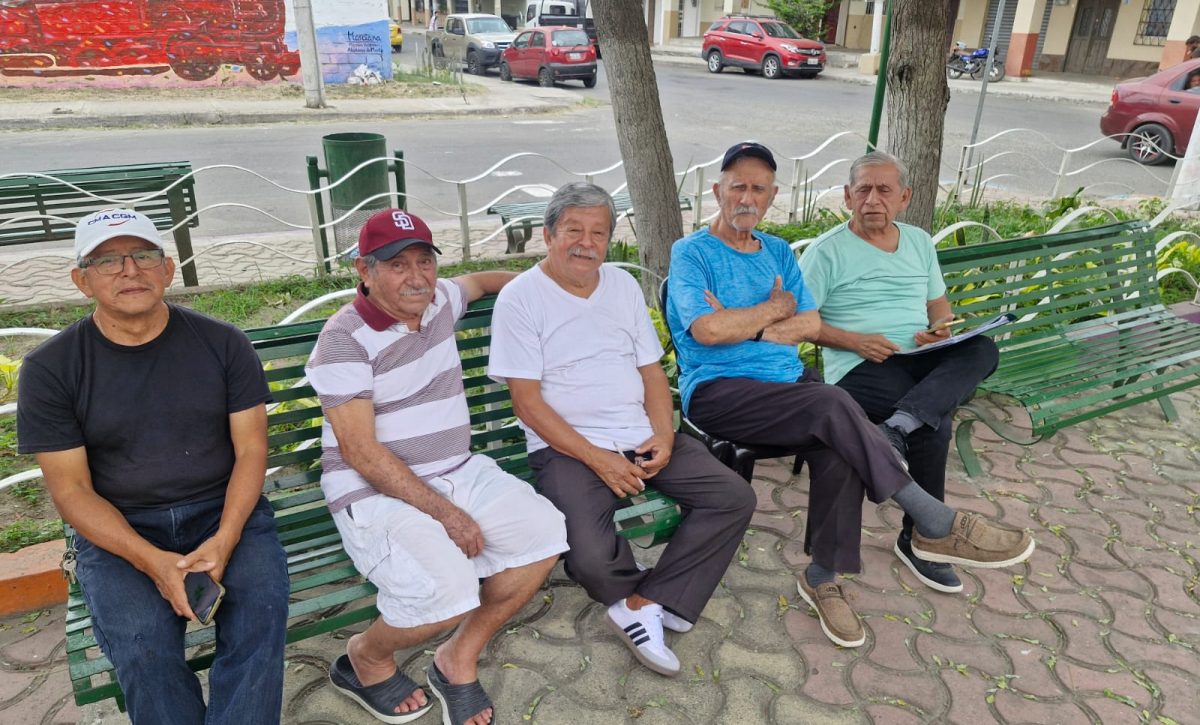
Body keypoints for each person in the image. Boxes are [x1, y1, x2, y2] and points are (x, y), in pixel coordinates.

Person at [666, 142, 1035, 649]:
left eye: (758, 188)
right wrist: (773, 312)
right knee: (835, 404)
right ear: (718, 191)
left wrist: (751, 320)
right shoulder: (692, 253)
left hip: (788, 386)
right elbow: (707, 332)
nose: (746, 197)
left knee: (836, 436)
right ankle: (934, 520)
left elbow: (810, 320)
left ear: (772, 196)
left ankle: (822, 576)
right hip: (719, 390)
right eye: (737, 186)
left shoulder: (776, 251)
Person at [16, 209, 289, 724]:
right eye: (107, 261)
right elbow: (72, 491)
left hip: (223, 511)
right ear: (82, 280)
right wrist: (152, 561)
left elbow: (252, 450)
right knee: (143, 647)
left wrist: (227, 537)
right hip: (120, 527)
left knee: (261, 616)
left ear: (167, 269)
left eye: (143, 255)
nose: (129, 271)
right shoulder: (51, 369)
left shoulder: (223, 342)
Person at [306, 208, 567, 725]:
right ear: (365, 271)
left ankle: (456, 658)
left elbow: (480, 282)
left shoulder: (440, 298)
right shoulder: (344, 338)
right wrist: (447, 514)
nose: (416, 276)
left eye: (423, 261)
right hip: (371, 489)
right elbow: (360, 452)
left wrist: (544, 292)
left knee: (546, 534)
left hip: (457, 467)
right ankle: (367, 657)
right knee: (447, 594)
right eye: (397, 264)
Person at [488, 182, 756, 677]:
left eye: (598, 233)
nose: (586, 243)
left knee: (733, 497)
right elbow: (527, 404)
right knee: (588, 557)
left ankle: (641, 603)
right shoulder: (520, 299)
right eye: (573, 230)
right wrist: (598, 458)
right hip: (566, 448)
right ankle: (660, 598)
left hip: (639, 434)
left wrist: (665, 434)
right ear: (548, 235)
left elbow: (652, 374)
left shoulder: (621, 285)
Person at [800, 151, 1000, 595]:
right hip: (861, 364)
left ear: (904, 197)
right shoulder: (826, 252)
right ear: (848, 196)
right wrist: (854, 341)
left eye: (884, 189)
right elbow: (803, 323)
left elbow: (938, 304)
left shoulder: (919, 242)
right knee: (937, 423)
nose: (873, 199)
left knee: (983, 348)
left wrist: (939, 329)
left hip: (917, 358)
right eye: (864, 189)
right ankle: (921, 540)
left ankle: (898, 426)